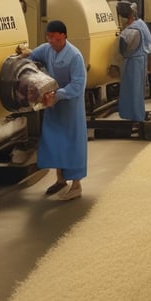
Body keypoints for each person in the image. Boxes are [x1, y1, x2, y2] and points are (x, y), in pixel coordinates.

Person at [27, 20, 87, 200]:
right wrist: (25, 55)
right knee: (55, 142)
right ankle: (60, 179)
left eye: (55, 38)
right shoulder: (47, 49)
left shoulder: (75, 56)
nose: (52, 41)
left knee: (72, 144)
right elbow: (32, 56)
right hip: (52, 106)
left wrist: (57, 94)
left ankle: (76, 185)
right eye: (49, 38)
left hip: (70, 107)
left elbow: (78, 85)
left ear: (64, 36)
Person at [117, 1, 151, 120]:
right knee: (137, 90)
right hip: (141, 59)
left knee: (132, 90)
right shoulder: (141, 23)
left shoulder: (133, 30)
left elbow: (124, 48)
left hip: (134, 62)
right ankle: (136, 115)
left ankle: (136, 117)